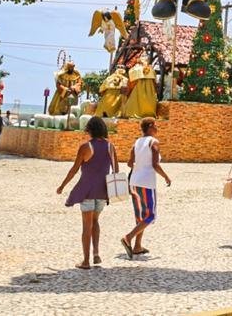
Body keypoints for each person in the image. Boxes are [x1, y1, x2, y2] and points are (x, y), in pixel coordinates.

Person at [57, 116, 119, 270]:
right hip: (103, 192)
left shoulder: (86, 147)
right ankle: (96, 253)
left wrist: (62, 186)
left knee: (87, 225)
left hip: (87, 191)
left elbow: (75, 169)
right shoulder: (111, 147)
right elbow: (116, 170)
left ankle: (86, 261)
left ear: (89, 129)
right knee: (96, 221)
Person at [121, 118, 171, 259]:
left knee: (140, 216)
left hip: (134, 182)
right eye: (155, 125)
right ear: (150, 127)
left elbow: (130, 163)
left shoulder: (136, 142)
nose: (157, 127)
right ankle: (128, 237)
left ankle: (137, 246)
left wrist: (140, 164)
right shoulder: (153, 142)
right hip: (147, 183)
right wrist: (166, 177)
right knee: (150, 216)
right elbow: (155, 164)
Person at [122, 53, 158, 118]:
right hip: (150, 96)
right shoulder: (152, 70)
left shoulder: (135, 69)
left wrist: (129, 92)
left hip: (137, 94)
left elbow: (130, 83)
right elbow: (155, 84)